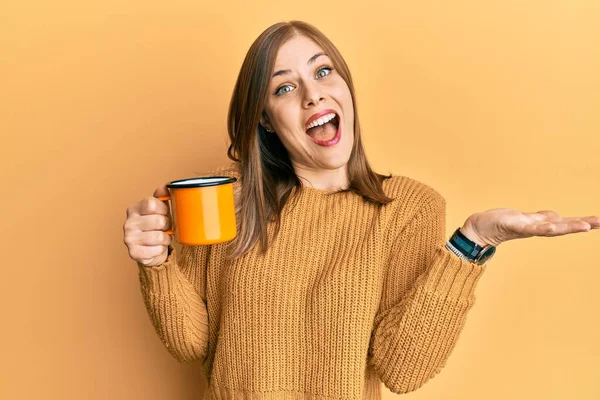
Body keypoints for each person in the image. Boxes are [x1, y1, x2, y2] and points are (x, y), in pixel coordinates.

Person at [122, 20, 599, 399]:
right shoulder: (225, 199)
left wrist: (473, 242)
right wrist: (155, 262)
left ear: (346, 89)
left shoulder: (409, 208)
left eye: (323, 71)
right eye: (284, 87)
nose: (313, 95)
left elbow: (403, 369)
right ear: (265, 119)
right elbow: (191, 345)